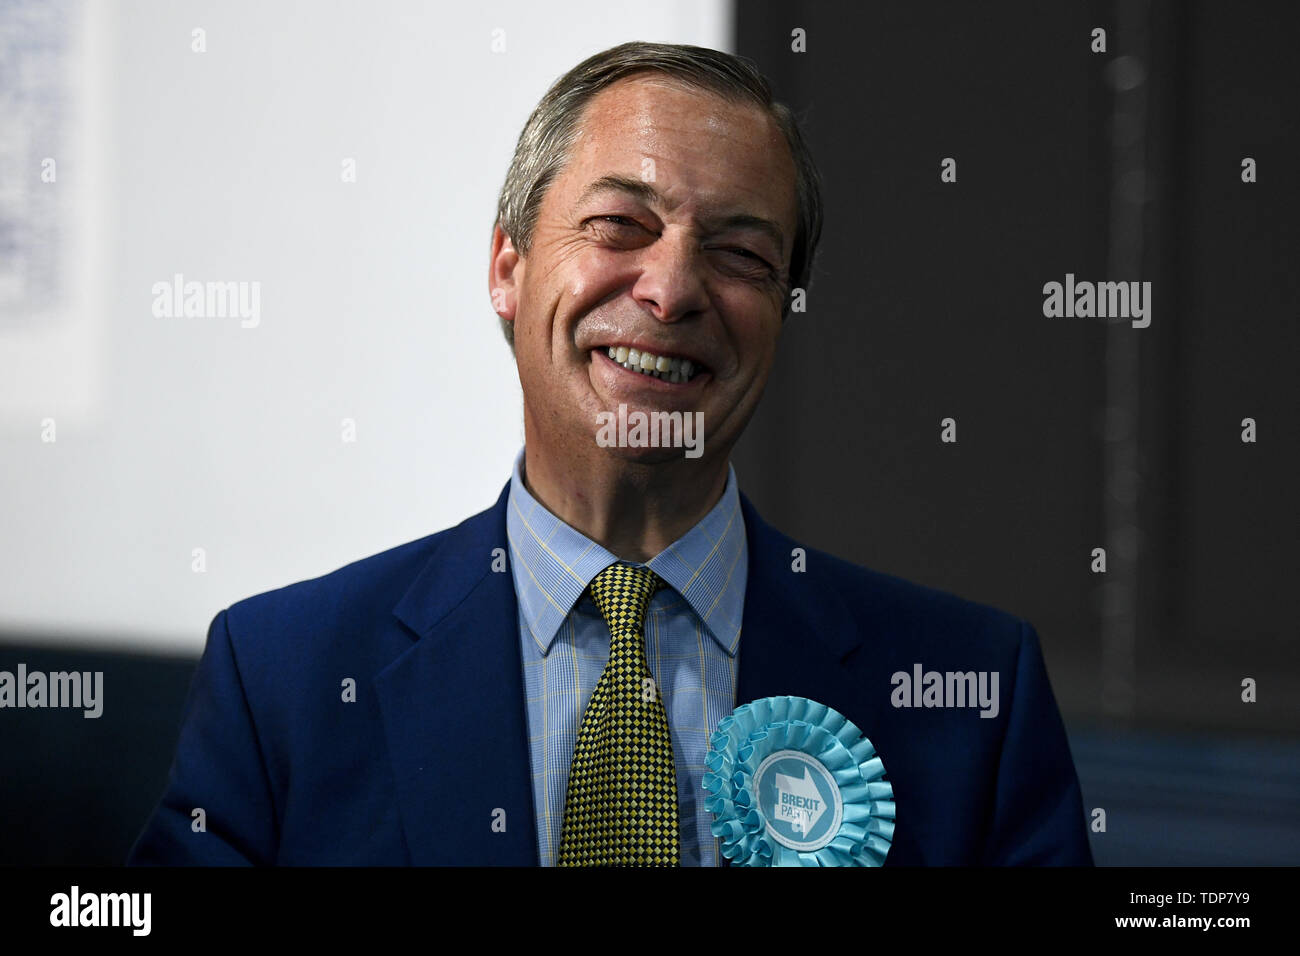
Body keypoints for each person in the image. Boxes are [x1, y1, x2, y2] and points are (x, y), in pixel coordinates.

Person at [128, 41, 1092, 867]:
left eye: (742, 256)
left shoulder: (973, 695)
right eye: (620, 226)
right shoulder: (283, 679)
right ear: (508, 269)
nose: (671, 290)